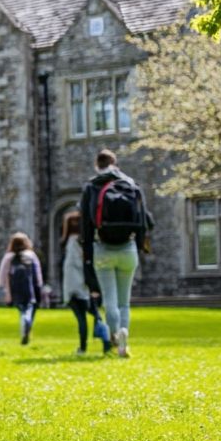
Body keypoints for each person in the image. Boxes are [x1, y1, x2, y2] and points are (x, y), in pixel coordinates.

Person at [79, 149, 153, 358]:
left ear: (97, 165)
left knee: (110, 301)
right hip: (128, 247)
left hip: (102, 248)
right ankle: (124, 337)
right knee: (124, 302)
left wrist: (86, 252)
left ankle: (114, 335)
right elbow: (144, 222)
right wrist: (138, 247)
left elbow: (85, 224)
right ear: (115, 163)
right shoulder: (131, 184)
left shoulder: (92, 186)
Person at [59, 210, 110, 356]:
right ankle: (106, 343)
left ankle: (83, 348)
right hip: (87, 286)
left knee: (82, 319)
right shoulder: (87, 243)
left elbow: (72, 267)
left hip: (76, 287)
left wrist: (70, 290)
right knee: (97, 315)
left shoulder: (71, 243)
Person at [0, 232, 43, 345]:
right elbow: (37, 271)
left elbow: (2, 273)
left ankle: (25, 326)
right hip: (30, 286)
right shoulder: (31, 255)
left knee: (22, 309)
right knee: (30, 308)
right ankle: (27, 325)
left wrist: (1, 287)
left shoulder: (8, 256)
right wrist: (40, 285)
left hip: (15, 287)